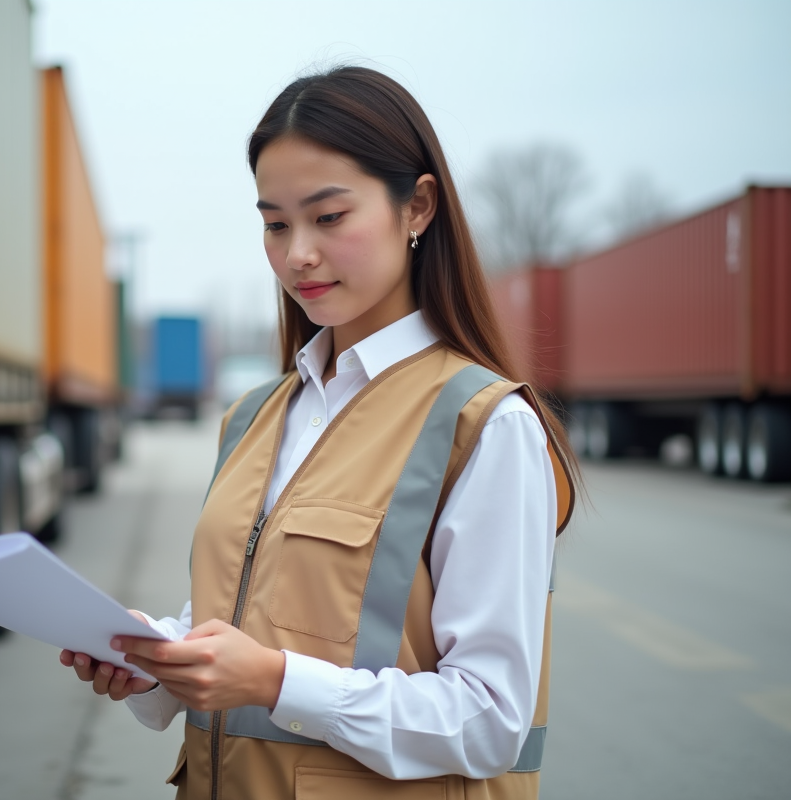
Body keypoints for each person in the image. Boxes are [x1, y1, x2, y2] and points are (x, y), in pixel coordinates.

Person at [59, 65, 577, 799]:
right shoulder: (253, 416)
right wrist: (155, 658)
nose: (295, 252)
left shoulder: (486, 425)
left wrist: (273, 681)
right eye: (275, 223)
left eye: (328, 217)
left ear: (418, 207)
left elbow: (491, 720)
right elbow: (254, 620)